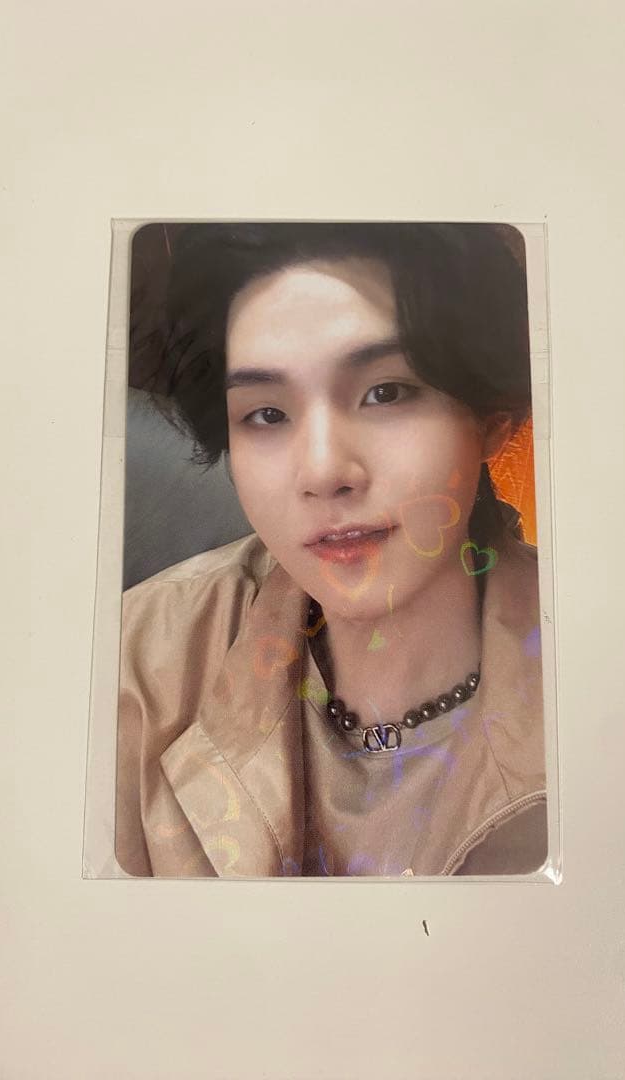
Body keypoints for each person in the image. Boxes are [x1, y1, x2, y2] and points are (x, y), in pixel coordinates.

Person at [115, 222, 546, 877]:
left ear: (490, 419)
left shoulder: (612, 684)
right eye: (266, 414)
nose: (322, 472)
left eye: (386, 392)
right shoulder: (136, 668)